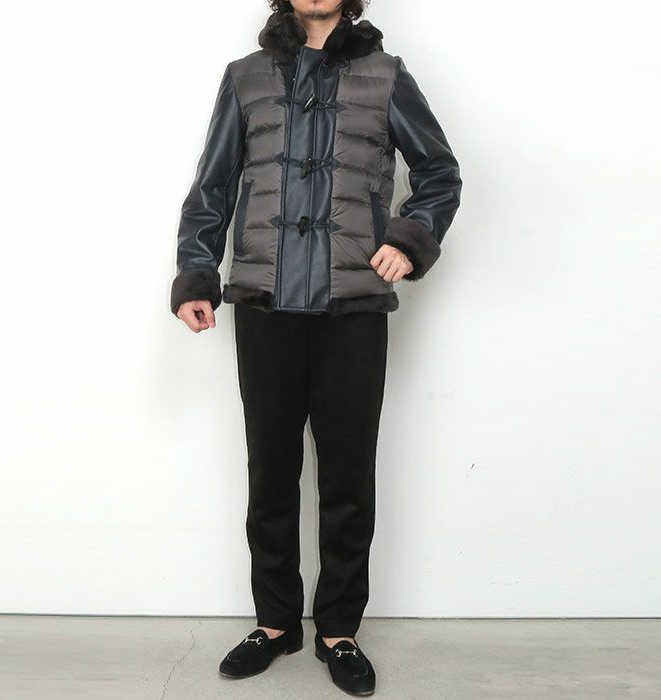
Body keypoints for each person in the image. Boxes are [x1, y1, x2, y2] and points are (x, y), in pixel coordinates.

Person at [169, 0, 461, 695]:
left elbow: (440, 172)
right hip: (263, 305)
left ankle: (338, 628)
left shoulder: (387, 76)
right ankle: (275, 622)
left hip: (351, 307)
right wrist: (196, 274)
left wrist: (408, 239)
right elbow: (212, 187)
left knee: (348, 475)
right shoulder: (245, 76)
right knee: (270, 471)